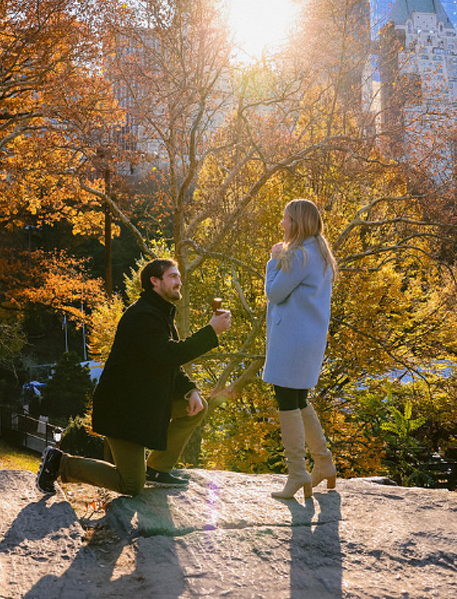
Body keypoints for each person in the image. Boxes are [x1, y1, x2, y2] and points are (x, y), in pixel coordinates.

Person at [36, 258, 231, 496]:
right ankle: (59, 463)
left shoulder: (160, 314)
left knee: (197, 407)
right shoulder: (143, 315)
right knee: (130, 484)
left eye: (179, 276)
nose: (179, 282)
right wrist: (211, 332)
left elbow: (166, 361)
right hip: (123, 410)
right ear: (154, 281)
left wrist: (190, 390)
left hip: (142, 406)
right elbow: (169, 354)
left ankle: (158, 468)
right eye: (173, 276)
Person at [263, 199, 338, 500]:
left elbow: (274, 293)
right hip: (309, 340)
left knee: (286, 401)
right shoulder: (320, 253)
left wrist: (273, 261)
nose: (281, 223)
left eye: (285, 218)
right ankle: (324, 462)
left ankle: (297, 473)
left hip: (291, 340)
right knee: (298, 399)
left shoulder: (299, 256)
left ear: (296, 222)